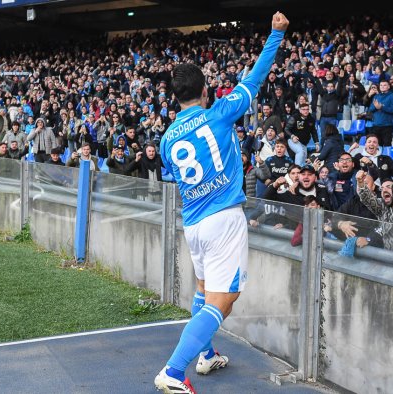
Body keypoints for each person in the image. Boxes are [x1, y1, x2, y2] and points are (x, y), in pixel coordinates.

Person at [154, 12, 289, 394]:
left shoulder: (166, 139)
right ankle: (173, 371)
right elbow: (256, 77)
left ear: (175, 96)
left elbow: (173, 173)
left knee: (202, 288)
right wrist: (276, 34)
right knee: (224, 300)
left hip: (193, 223)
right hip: (223, 219)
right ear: (206, 90)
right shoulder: (219, 114)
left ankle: (207, 355)